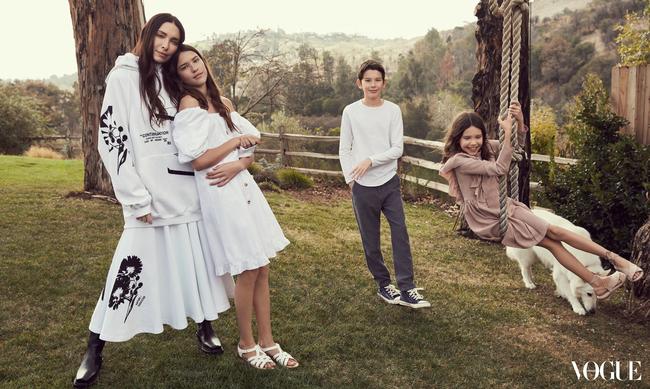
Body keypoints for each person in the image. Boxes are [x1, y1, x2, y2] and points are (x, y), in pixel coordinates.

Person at [73, 14, 235, 388]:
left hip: (187, 190)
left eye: (174, 40)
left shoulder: (171, 78)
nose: (166, 45)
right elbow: (112, 139)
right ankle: (95, 347)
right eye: (161, 35)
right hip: (149, 196)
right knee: (127, 269)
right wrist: (135, 198)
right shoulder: (123, 77)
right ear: (147, 34)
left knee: (196, 263)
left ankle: (205, 324)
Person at [168, 44, 298, 369]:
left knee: (262, 267)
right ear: (179, 75)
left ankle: (268, 340)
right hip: (219, 192)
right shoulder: (188, 104)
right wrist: (232, 144)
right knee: (248, 268)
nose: (194, 68)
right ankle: (246, 343)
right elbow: (197, 160)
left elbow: (250, 146)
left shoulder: (222, 102)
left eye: (196, 60)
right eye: (185, 66)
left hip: (241, 186)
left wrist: (240, 163)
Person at [439, 105, 643, 299]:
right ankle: (616, 260)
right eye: (467, 138)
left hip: (507, 208)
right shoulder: (459, 161)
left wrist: (519, 123)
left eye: (478, 137)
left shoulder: (486, 148)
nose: (473, 142)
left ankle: (598, 283)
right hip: (490, 217)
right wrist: (508, 134)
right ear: (458, 139)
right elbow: (499, 169)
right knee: (556, 233)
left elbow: (516, 148)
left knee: (554, 243)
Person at [338, 60, 430, 309]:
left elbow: (396, 149)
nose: (373, 84)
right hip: (362, 187)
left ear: (384, 83)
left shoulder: (392, 110)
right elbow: (344, 149)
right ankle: (383, 284)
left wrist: (370, 160)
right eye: (368, 80)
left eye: (377, 80)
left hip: (389, 183)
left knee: (400, 233)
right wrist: (350, 179)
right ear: (360, 83)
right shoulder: (350, 112)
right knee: (371, 240)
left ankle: (408, 288)